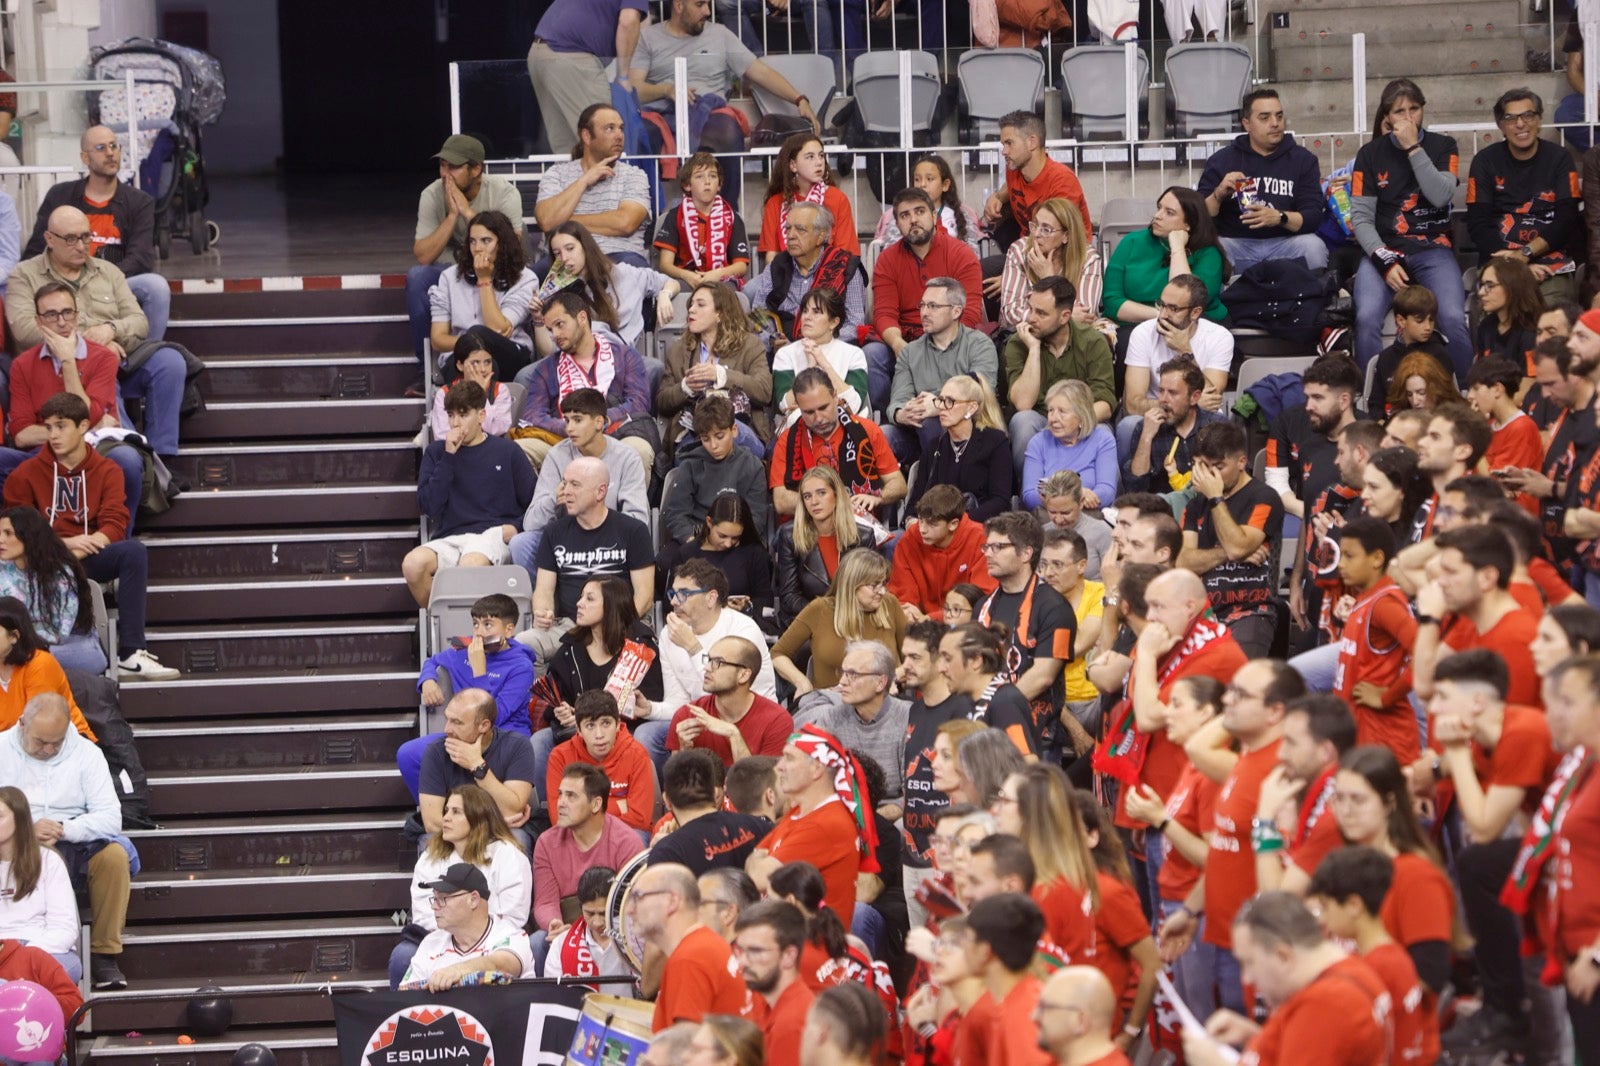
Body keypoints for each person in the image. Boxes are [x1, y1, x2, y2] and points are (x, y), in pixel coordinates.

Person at [1155, 658, 1297, 1014]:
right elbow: (1224, 849)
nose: (1229, 701)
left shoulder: (1282, 774)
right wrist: (1191, 911)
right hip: (1223, 932)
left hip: (1258, 945)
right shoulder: (1244, 762)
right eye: (1229, 691)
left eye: (1241, 694)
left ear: (1275, 711)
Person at [1, 392, 176, 679]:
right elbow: (16, 530)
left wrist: (80, 549)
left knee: (133, 552)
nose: (53, 435)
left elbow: (115, 522)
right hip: (40, 561)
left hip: (87, 556)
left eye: (61, 426)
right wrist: (63, 546)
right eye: (49, 428)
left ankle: (131, 651)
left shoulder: (107, 470)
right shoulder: (25, 474)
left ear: (83, 426)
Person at [5, 206, 186, 471]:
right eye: (71, 239)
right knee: (103, 369)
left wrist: (111, 330)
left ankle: (161, 458)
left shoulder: (108, 271)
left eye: (86, 237)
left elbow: (139, 321)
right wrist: (90, 345)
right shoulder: (24, 275)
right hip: (65, 366)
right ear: (49, 239)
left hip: (117, 354)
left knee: (170, 361)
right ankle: (129, 462)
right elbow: (24, 329)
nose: (81, 246)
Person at [0, 693, 129, 989]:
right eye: (40, 742)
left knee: (115, 857)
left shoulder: (86, 753)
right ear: (21, 724)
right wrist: (26, 829)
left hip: (73, 837)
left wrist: (63, 828)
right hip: (16, 839)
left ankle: (104, 954)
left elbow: (111, 818)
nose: (47, 749)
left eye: (56, 743)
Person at [628, 0, 822, 195]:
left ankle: (729, 212)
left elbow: (760, 72)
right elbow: (635, 87)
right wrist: (666, 90)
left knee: (728, 133)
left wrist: (799, 99)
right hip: (661, 110)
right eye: (700, 5)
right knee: (639, 133)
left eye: (708, 4)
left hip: (710, 110)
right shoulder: (648, 37)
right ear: (679, 6)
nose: (708, 11)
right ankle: (645, 213)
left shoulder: (720, 34)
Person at [1178, 892, 1390, 1066]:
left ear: (1283, 956)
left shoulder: (1325, 1006)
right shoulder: (1349, 970)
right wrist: (1255, 1035)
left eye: (1249, 962)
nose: (1247, 978)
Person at [1350, 78, 1470, 379]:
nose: (1407, 117)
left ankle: (1468, 393)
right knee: (1365, 318)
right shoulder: (1370, 154)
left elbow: (1441, 195)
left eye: (1414, 109)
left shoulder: (1443, 146)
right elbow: (1361, 219)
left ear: (1422, 110)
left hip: (1433, 248)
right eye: (1399, 111)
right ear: (1386, 116)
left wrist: (1413, 148)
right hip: (1384, 250)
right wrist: (1383, 259)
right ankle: (1371, 397)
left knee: (1454, 317)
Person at [1120, 675, 1224, 1014]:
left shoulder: (1211, 775)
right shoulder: (1192, 766)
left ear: (1207, 713)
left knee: (1199, 1017)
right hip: (1177, 903)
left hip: (1197, 910)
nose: (1167, 712)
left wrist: (1162, 821)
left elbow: (1216, 858)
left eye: (1177, 704)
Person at [4, 281, 142, 516]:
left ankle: (116, 539)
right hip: (42, 455)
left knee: (127, 458)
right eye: (51, 315)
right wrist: (81, 428)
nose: (61, 322)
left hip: (94, 450)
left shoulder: (103, 357)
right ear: (38, 322)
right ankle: (23, 540)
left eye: (67, 313)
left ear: (77, 316)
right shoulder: (22, 365)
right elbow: (21, 434)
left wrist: (68, 360)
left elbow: (88, 414)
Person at [1331, 746, 1456, 1001]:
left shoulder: (1416, 874)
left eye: (1358, 800)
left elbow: (1429, 976)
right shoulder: (1342, 865)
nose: (1345, 810)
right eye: (1339, 798)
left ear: (1389, 803)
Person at [406, 135, 525, 392]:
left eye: (454, 167)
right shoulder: (432, 193)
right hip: (453, 265)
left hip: (498, 263)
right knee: (418, 277)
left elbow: (511, 248)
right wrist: (452, 215)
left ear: (476, 169)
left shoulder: (504, 192)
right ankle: (425, 373)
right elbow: (424, 255)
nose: (445, 174)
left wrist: (469, 215)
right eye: (442, 166)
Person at [403, 380, 536, 607]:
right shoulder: (437, 453)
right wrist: (449, 458)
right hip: (450, 537)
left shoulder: (508, 451)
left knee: (470, 564)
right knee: (413, 564)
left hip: (492, 534)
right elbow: (428, 506)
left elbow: (535, 504)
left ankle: (467, 633)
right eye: (451, 415)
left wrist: (516, 527)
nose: (455, 423)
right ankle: (441, 622)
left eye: (463, 415)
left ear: (481, 415)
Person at [26, 126, 167, 337]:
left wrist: (100, 279)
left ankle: (147, 356)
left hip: (115, 280)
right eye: (101, 148)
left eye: (114, 146)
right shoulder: (60, 196)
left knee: (156, 286)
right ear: (85, 157)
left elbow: (140, 259)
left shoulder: (140, 202)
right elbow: (36, 251)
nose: (110, 153)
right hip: (62, 280)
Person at [531, 576, 663, 798]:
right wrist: (560, 710)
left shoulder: (640, 646)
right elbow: (553, 695)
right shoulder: (570, 648)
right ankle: (549, 810)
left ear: (611, 605)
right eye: (581, 597)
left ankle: (641, 803)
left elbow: (650, 699)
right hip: (576, 730)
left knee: (643, 736)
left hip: (623, 728)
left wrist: (592, 720)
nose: (579, 603)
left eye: (589, 599)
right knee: (540, 741)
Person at [1305, 847, 1439, 1066]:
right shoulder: (1394, 957)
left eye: (1326, 906)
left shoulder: (1375, 968)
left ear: (1354, 906)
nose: (1323, 918)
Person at [397, 592, 535, 800]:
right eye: (475, 624)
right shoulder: (464, 650)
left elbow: (495, 716)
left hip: (503, 736)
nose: (479, 633)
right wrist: (427, 681)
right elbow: (433, 661)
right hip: (464, 733)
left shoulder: (521, 666)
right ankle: (440, 812)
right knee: (408, 754)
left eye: (488, 625)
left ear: (509, 629)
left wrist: (480, 671)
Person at [640, 561, 777, 769]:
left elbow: (727, 695)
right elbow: (679, 703)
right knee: (647, 734)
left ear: (711, 598)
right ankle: (674, 800)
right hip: (703, 718)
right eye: (673, 593)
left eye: (684, 594)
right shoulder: (669, 635)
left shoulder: (742, 630)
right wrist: (649, 708)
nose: (675, 602)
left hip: (748, 719)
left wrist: (692, 647)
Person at [393, 784, 531, 988]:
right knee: (402, 955)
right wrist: (453, 939)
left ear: (478, 818)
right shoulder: (429, 858)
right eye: (446, 811)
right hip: (441, 938)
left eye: (456, 812)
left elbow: (512, 917)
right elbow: (424, 916)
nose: (446, 818)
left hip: (492, 940)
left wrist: (469, 938)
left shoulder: (508, 855)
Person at [523, 455, 654, 662]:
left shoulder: (633, 530)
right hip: (571, 626)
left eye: (575, 485)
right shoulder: (554, 532)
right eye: (564, 483)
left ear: (600, 492)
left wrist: (615, 626)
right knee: (525, 645)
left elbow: (644, 596)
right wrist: (543, 612)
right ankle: (550, 694)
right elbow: (544, 590)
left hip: (622, 623)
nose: (565, 491)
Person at [868, 189, 985, 414]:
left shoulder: (961, 254)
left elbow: (969, 312)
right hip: (905, 341)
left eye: (919, 212)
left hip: (952, 338)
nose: (913, 220)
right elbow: (884, 314)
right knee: (872, 355)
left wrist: (938, 343)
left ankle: (951, 412)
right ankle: (888, 418)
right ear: (897, 224)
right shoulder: (887, 259)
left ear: (934, 217)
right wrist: (899, 344)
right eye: (904, 215)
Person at [510, 386, 650, 574]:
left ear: (599, 422)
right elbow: (531, 524)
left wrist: (599, 525)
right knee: (521, 543)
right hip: (566, 541)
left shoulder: (627, 458)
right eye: (566, 420)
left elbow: (638, 520)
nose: (569, 428)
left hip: (610, 542)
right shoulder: (556, 456)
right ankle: (544, 599)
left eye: (577, 420)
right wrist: (554, 500)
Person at [1178, 420, 1285, 657]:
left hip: (1252, 611)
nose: (1210, 475)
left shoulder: (1264, 497)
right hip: (1203, 613)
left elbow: (1237, 546)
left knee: (1234, 683)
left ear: (1241, 462)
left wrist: (1217, 498)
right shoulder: (1196, 505)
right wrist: (1224, 553)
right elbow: (1183, 562)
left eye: (1219, 467)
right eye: (1205, 466)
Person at [975, 511, 1077, 757]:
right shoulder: (983, 606)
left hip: (1034, 739)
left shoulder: (1055, 607)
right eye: (987, 546)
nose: (988, 553)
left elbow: (1043, 676)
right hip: (986, 737)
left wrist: (992, 712)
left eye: (998, 547)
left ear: (1026, 553)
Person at [747, 726, 877, 918]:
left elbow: (758, 878)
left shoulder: (825, 823)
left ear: (816, 769)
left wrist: (759, 861)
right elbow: (756, 861)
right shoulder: (800, 812)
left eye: (789, 758)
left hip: (814, 942)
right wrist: (759, 861)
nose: (779, 766)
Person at [1466, 88, 1581, 303]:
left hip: (1550, 266)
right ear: (1500, 126)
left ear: (1539, 120)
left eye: (1528, 115)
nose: (1520, 124)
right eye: (1510, 118)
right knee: (1493, 314)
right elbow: (1478, 224)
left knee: (1551, 314)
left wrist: (1525, 253)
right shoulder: (1484, 162)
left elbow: (1567, 219)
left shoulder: (1560, 159)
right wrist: (1513, 265)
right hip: (1498, 263)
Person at [1197, 88, 1328, 271]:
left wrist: (1279, 217)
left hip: (1286, 243)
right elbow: (1198, 218)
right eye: (1265, 118)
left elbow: (1314, 217)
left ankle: (1312, 299)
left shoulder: (1303, 160)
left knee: (1313, 246)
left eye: (1279, 116)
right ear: (1247, 124)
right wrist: (1218, 195)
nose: (1275, 123)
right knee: (1211, 250)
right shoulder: (1221, 160)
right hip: (1236, 245)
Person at [1412, 524, 1542, 706]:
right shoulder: (1473, 620)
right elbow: (1427, 686)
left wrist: (1429, 620)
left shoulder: (1515, 637)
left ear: (1487, 578)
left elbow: (1505, 725)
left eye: (1451, 572)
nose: (1440, 582)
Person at [1541, 654, 1600, 1049]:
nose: (1554, 714)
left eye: (1567, 702)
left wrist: (1598, 957)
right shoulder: (1584, 766)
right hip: (1576, 953)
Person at [1328, 517, 1419, 760]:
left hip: (1383, 739)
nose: (1341, 564)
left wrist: (1387, 696)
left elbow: (1426, 654)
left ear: (1377, 559)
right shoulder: (1367, 597)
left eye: (1350, 556)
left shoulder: (1385, 604)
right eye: (1341, 555)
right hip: (1360, 733)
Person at [1004, 276, 1116, 472]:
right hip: (1039, 420)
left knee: (1103, 432)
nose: (1031, 318)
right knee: (1023, 422)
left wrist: (1069, 423)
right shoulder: (1018, 342)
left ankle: (1104, 499)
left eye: (1041, 313)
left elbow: (1105, 404)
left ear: (1064, 316)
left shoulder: (1093, 342)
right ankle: (1030, 496)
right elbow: (1023, 403)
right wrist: (1034, 349)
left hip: (1081, 421)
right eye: (1030, 309)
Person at [887, 275, 999, 466]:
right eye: (922, 305)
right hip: (918, 433)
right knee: (884, 434)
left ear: (956, 311)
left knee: (933, 422)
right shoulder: (910, 352)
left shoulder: (980, 344)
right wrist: (901, 413)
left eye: (933, 306)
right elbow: (897, 400)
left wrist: (938, 405)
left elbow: (981, 390)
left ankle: (942, 487)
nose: (924, 313)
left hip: (972, 430)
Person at [769, 367, 904, 519]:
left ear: (835, 397)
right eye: (809, 412)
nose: (818, 418)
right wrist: (834, 503)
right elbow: (781, 501)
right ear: (799, 408)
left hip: (860, 526)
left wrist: (878, 496)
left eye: (823, 408)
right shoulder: (787, 440)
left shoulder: (868, 430)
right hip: (809, 528)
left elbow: (898, 484)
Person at [658, 287, 773, 460]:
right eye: (691, 305)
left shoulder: (750, 345)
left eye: (700, 305)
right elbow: (662, 402)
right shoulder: (679, 350)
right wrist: (685, 388)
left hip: (738, 426)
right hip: (695, 431)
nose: (691, 309)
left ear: (720, 313)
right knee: (693, 452)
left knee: (728, 441)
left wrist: (721, 375)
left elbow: (764, 390)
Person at [774, 548, 905, 697]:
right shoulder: (819, 609)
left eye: (883, 584)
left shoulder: (890, 604)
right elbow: (778, 653)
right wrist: (802, 682)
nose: (882, 591)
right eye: (874, 585)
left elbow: (914, 659)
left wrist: (892, 676)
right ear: (852, 585)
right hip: (830, 704)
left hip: (883, 700)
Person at [1119, 275, 1231, 449]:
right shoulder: (1142, 333)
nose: (1163, 314)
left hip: (1198, 416)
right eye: (1161, 305)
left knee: (1220, 423)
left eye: (1173, 308)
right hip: (1154, 414)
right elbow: (1133, 405)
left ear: (1195, 312)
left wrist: (1185, 350)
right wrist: (1185, 404)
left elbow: (1211, 396)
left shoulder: (1219, 337)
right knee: (1129, 425)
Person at [534, 762, 645, 936]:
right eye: (560, 794)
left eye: (571, 796)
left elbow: (633, 905)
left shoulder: (626, 842)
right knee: (539, 940)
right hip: (566, 930)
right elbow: (545, 903)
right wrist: (554, 924)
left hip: (611, 930)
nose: (560, 803)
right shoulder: (546, 843)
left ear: (596, 804)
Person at [426, 210, 537, 384]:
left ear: (503, 244)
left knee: (480, 336)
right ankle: (484, 407)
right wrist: (471, 345)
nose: (477, 248)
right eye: (472, 241)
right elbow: (438, 339)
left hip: (510, 355)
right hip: (460, 359)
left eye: (486, 241)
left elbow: (498, 329)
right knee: (485, 362)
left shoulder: (525, 278)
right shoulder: (449, 278)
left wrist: (484, 280)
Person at [532, 103, 652, 263]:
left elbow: (625, 223)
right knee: (532, 280)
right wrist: (584, 181)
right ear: (587, 136)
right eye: (610, 128)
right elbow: (547, 221)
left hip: (619, 258)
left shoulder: (634, 176)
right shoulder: (557, 174)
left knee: (630, 272)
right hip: (564, 261)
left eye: (621, 128)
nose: (619, 135)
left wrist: (565, 222)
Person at [538, 220, 678, 356]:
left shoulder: (623, 274)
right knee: (524, 375)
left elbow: (669, 282)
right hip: (575, 362)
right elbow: (550, 351)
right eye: (557, 253)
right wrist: (537, 318)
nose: (564, 258)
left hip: (620, 358)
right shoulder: (558, 294)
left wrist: (665, 294)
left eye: (570, 248)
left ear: (585, 247)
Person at [635, 862, 748, 1030]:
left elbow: (686, 1045)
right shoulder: (716, 950)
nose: (690, 910)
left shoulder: (693, 956)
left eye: (700, 903)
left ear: (728, 912)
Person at [774, 464, 889, 627]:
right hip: (810, 620)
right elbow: (789, 595)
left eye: (821, 493)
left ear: (836, 495)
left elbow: (871, 588)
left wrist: (844, 614)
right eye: (807, 496)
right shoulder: (789, 536)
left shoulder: (863, 536)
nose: (814, 502)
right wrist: (825, 613)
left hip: (854, 617)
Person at [794, 640, 911, 801]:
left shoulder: (909, 718)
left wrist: (873, 819)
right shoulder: (831, 718)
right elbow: (810, 776)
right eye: (842, 672)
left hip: (893, 814)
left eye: (853, 675)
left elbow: (913, 797)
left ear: (881, 682)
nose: (842, 682)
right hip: (844, 809)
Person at [1104, 189, 1227, 338]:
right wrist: (1162, 315)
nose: (1157, 216)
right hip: (1135, 324)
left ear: (1189, 223)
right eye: (1159, 208)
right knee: (1127, 344)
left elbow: (1186, 300)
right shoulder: (1132, 242)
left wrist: (1177, 247)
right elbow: (1112, 302)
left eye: (1169, 213)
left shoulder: (1209, 253)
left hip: (1196, 326)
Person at [416, 689, 536, 837]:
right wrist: (489, 827)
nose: (447, 729)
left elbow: (512, 811)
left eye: (457, 722)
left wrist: (477, 766)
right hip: (453, 838)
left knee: (518, 837)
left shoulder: (518, 746)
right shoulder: (436, 752)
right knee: (429, 841)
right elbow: (432, 823)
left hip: (498, 836)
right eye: (448, 719)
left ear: (484, 726)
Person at [744, 201, 867, 344]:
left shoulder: (844, 267)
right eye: (788, 229)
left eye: (800, 229)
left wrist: (819, 343)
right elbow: (758, 315)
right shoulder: (776, 267)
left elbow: (855, 324)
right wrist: (773, 339)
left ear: (820, 236)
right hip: (783, 351)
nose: (790, 235)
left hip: (830, 350)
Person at [399, 863, 535, 991]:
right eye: (434, 898)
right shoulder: (431, 943)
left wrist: (457, 971)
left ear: (473, 899)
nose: (434, 906)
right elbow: (406, 994)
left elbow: (502, 966)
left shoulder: (511, 935)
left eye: (442, 899)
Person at [0, 506, 100, 674]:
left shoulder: (59, 573)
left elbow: (59, 633)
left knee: (21, 659)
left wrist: (16, 639)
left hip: (66, 646)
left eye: (8, 533)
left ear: (28, 536)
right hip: (13, 646)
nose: (0, 539)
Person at [665, 635, 791, 766]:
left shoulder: (777, 720)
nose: (707, 668)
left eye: (718, 662)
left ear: (743, 675)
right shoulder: (687, 715)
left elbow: (765, 784)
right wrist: (684, 751)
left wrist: (733, 734)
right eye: (708, 660)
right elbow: (676, 784)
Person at [960, 892, 1052, 1066]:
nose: (962, 945)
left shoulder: (1025, 1016)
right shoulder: (999, 1002)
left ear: (985, 951)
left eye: (967, 938)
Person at [906, 374, 1014, 522]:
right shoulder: (934, 447)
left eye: (950, 401)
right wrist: (910, 521)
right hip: (936, 531)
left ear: (971, 407)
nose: (942, 407)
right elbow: (915, 503)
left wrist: (960, 524)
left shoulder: (995, 442)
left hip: (978, 528)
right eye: (941, 400)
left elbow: (1000, 501)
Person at [0, 785, 80, 982]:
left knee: (64, 968)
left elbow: (65, 928)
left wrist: (23, 955)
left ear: (19, 819)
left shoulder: (49, 860)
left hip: (41, 947)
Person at [546, 690, 657, 832]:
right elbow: (558, 818)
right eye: (590, 726)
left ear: (617, 725)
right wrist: (619, 806)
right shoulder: (560, 757)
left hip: (625, 833)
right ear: (578, 729)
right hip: (577, 836)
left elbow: (640, 819)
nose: (599, 735)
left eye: (606, 723)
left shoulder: (637, 754)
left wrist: (579, 810)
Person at [651, 749, 772, 874]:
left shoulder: (667, 853)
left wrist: (658, 849)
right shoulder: (757, 826)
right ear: (715, 793)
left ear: (667, 801)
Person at [982, 110, 1091, 247]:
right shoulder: (1014, 170)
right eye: (1003, 144)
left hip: (1063, 257)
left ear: (1032, 142)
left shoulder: (1062, 181)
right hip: (1029, 250)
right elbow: (1009, 187)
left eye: (1009, 143)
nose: (1004, 151)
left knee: (987, 267)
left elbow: (1055, 239)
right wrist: (997, 197)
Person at [888, 485, 994, 623]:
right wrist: (910, 615)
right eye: (920, 520)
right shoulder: (910, 539)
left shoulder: (981, 540)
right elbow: (902, 592)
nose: (922, 529)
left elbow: (981, 601)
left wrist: (930, 618)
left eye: (931, 524)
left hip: (965, 625)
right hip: (917, 624)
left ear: (953, 524)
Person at [996, 196, 1101, 331]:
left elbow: (1085, 314)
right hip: (1026, 332)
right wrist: (1060, 317)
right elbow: (1011, 313)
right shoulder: (1019, 251)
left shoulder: (1088, 258)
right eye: (1035, 225)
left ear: (1066, 236)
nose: (1037, 234)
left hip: (1073, 335)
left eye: (1046, 229)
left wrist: (1049, 279)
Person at [1037, 530, 1105, 738]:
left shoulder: (1100, 593)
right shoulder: (1034, 599)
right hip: (1053, 702)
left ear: (1082, 566)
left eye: (1057, 565)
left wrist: (1044, 647)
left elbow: (1074, 647)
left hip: (1095, 701)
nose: (1047, 573)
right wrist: (1071, 725)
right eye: (1043, 564)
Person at [1127, 357, 1228, 496]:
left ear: (1195, 397)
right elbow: (1135, 489)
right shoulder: (1145, 427)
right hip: (1162, 510)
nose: (1163, 399)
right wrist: (1146, 437)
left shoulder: (1217, 427)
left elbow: (1236, 479)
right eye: (1161, 391)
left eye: (1172, 393)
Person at [733, 899, 814, 1066]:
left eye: (755, 951)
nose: (743, 962)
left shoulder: (792, 1024)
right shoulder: (768, 1004)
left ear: (788, 956)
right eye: (740, 950)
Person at [655, 151, 751, 289]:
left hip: (722, 279)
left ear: (719, 185)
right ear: (687, 185)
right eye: (699, 176)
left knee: (728, 292)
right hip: (687, 279)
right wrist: (686, 275)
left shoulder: (732, 217)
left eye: (712, 176)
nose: (707, 182)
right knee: (673, 289)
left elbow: (741, 266)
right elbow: (665, 264)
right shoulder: (675, 216)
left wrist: (717, 274)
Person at [772, 288, 869, 424]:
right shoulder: (785, 354)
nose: (807, 317)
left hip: (843, 428)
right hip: (798, 428)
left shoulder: (854, 354)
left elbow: (853, 405)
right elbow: (785, 405)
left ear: (834, 322)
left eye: (816, 312)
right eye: (805, 311)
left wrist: (822, 361)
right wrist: (810, 368)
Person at [1020, 381, 1117, 513]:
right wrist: (1075, 495)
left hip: (1090, 515)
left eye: (1062, 412)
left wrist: (1065, 500)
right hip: (1050, 517)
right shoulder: (1038, 442)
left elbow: (1107, 491)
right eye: (1050, 411)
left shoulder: (1103, 440)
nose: (1053, 418)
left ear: (1081, 416)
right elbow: (1029, 495)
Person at [758, 133, 858, 260]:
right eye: (810, 157)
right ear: (793, 165)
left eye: (821, 156)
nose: (819, 162)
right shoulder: (775, 203)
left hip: (829, 274)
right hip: (786, 275)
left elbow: (844, 253)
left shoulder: (838, 198)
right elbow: (771, 256)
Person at [671, 494, 774, 615]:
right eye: (722, 536)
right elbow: (672, 602)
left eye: (735, 538)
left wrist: (748, 606)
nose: (728, 544)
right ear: (709, 522)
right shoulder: (687, 553)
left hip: (741, 624)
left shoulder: (754, 553)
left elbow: (766, 600)